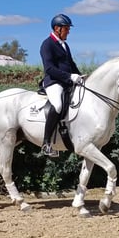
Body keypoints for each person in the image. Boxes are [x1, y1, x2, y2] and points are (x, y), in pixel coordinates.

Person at [39, 14, 82, 157]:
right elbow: (49, 69)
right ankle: (46, 143)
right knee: (57, 105)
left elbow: (71, 64)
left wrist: (80, 76)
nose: (68, 31)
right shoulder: (47, 44)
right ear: (57, 29)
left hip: (66, 81)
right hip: (53, 82)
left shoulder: (64, 45)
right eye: (66, 28)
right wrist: (69, 76)